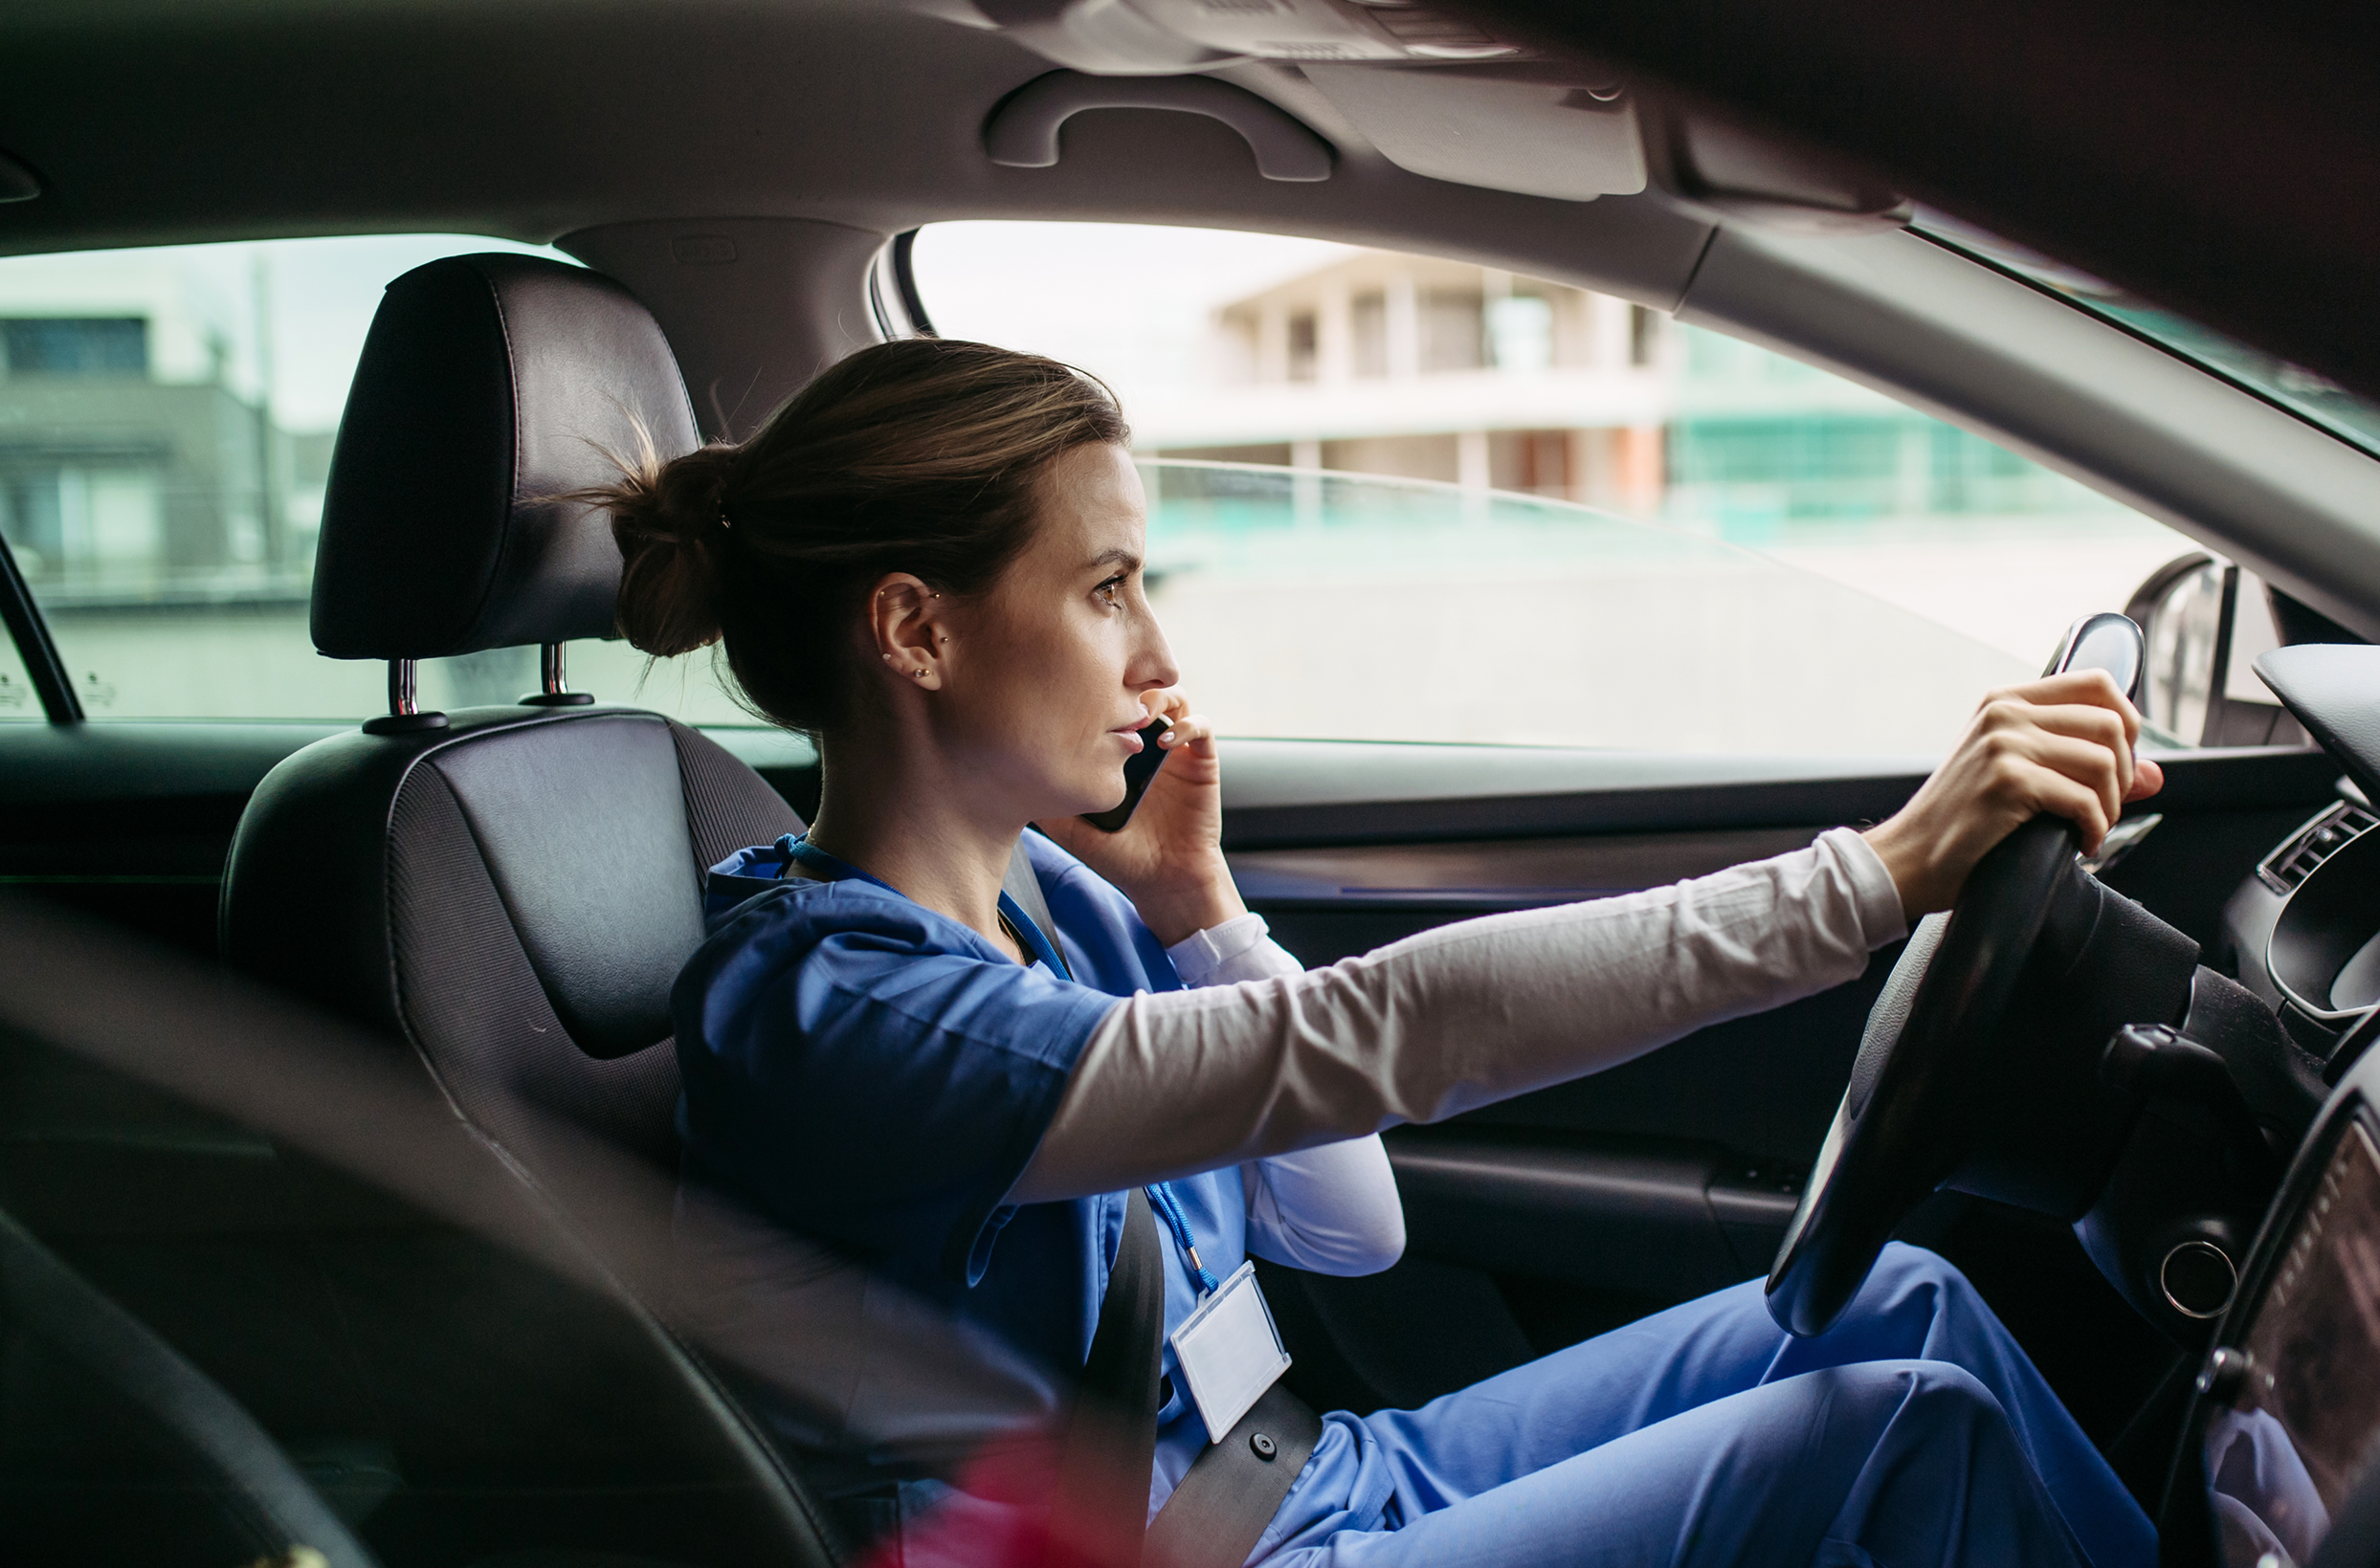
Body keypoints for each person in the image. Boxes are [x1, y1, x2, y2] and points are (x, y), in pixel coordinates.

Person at [597, 338, 2168, 1568]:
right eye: (1104, 587)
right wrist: (1878, 878)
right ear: (914, 631)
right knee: (1898, 1437)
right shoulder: (816, 1006)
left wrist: (1203, 916)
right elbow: (1376, 1034)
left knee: (1905, 1303)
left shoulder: (1057, 907)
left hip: (1302, 1480)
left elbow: (1351, 1232)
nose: (1155, 655)